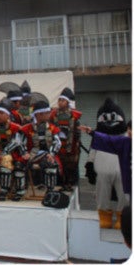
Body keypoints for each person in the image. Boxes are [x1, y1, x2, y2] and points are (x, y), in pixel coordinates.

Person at [83, 98, 128, 229]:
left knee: (125, 195)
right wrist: (90, 166)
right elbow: (92, 152)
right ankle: (105, 217)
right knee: (102, 195)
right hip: (102, 173)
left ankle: (123, 218)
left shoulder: (126, 135)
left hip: (123, 173)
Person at [20, 100, 62, 199]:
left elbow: (57, 142)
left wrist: (51, 153)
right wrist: (24, 152)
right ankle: (20, 189)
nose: (49, 115)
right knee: (19, 165)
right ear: (39, 114)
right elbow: (20, 143)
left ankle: (50, 190)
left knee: (51, 164)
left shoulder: (52, 128)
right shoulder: (27, 128)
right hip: (31, 155)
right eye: (47, 113)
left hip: (48, 155)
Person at [50, 87, 82, 191]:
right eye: (59, 100)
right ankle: (61, 183)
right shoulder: (54, 114)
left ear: (67, 102)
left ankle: (70, 183)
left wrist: (77, 141)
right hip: (58, 143)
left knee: (70, 165)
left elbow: (77, 130)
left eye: (62, 100)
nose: (60, 102)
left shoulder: (74, 115)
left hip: (70, 144)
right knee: (60, 164)